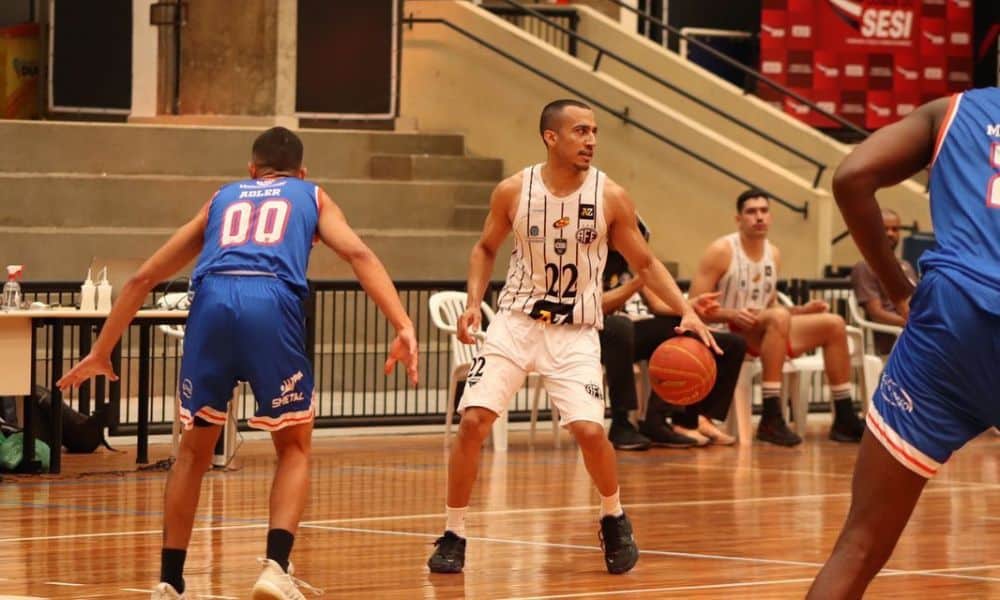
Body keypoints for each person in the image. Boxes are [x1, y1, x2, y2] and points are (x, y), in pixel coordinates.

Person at [56, 127, 419, 600]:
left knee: (192, 451)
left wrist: (102, 349)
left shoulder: (222, 198)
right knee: (293, 446)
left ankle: (170, 580)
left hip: (211, 302)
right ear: (302, 172)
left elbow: (143, 277)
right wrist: (402, 324)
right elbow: (358, 253)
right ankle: (275, 567)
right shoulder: (312, 195)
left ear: (252, 169)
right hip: (271, 301)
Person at [426, 99, 719, 576]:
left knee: (589, 431)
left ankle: (613, 516)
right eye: (581, 131)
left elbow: (646, 264)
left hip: (576, 330)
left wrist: (686, 311)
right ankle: (454, 532)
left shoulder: (611, 196)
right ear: (551, 137)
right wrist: (470, 302)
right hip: (516, 323)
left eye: (595, 132)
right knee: (473, 422)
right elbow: (484, 249)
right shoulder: (513, 191)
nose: (591, 140)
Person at [809, 88, 1000, 598]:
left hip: (950, 321)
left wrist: (897, 288)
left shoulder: (955, 109)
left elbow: (850, 177)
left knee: (859, 544)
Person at [689, 190, 866, 446]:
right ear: (738, 219)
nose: (759, 217)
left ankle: (844, 416)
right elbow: (694, 307)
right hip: (725, 330)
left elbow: (770, 306)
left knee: (833, 323)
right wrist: (731, 313)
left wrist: (801, 311)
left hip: (764, 327)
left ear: (770, 217)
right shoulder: (721, 250)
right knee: (778, 318)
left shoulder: (774, 253)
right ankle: (771, 415)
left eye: (764, 211)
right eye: (751, 212)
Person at [600, 220, 745, 449]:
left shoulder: (634, 263)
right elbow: (597, 306)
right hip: (599, 333)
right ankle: (621, 423)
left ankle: (676, 420)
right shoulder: (590, 258)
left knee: (711, 336)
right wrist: (638, 282)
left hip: (636, 331)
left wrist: (690, 306)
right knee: (619, 325)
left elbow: (658, 305)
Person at [849, 208, 918, 354]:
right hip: (892, 338)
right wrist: (913, 324)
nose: (890, 233)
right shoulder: (864, 267)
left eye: (895, 229)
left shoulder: (906, 266)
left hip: (916, 331)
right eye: (885, 229)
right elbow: (876, 313)